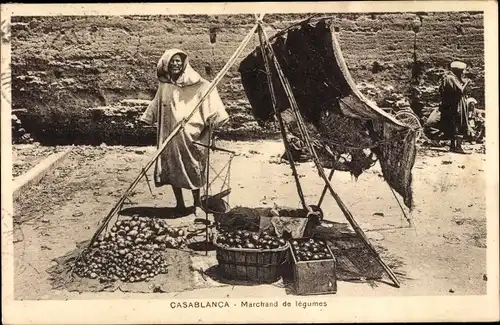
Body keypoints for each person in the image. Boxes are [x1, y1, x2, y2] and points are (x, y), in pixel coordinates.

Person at [140, 49, 229, 217]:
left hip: (191, 136)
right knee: (173, 169)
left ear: (184, 63)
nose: (175, 64)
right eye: (172, 61)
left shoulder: (199, 84)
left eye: (178, 61)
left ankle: (196, 204)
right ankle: (180, 203)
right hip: (169, 135)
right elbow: (157, 103)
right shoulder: (165, 84)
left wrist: (210, 126)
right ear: (166, 64)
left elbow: (210, 99)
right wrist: (147, 117)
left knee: (193, 168)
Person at [437, 61, 471, 154]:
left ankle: (453, 146)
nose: (464, 72)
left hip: (453, 104)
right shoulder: (451, 78)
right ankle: (458, 147)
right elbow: (460, 91)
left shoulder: (450, 77)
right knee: (459, 123)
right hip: (456, 105)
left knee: (454, 124)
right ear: (458, 71)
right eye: (463, 71)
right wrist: (466, 83)